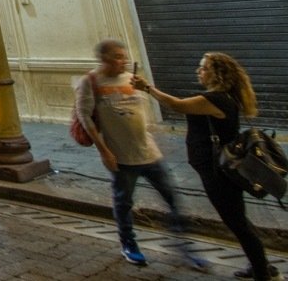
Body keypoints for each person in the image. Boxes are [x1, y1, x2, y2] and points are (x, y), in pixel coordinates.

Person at [134, 53, 279, 281]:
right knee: (238, 219)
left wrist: (147, 88)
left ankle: (263, 273)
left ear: (217, 73)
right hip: (219, 169)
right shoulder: (223, 97)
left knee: (237, 222)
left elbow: (177, 105)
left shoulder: (215, 99)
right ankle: (261, 266)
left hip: (218, 172)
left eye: (203, 68)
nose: (198, 71)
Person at [76, 39, 204, 269]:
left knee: (173, 199)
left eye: (124, 56)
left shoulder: (132, 79)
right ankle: (129, 245)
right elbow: (85, 118)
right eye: (117, 56)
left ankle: (182, 245)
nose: (123, 60)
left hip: (150, 152)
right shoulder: (91, 81)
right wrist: (104, 151)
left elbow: (142, 111)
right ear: (104, 59)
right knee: (124, 203)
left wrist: (156, 136)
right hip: (122, 157)